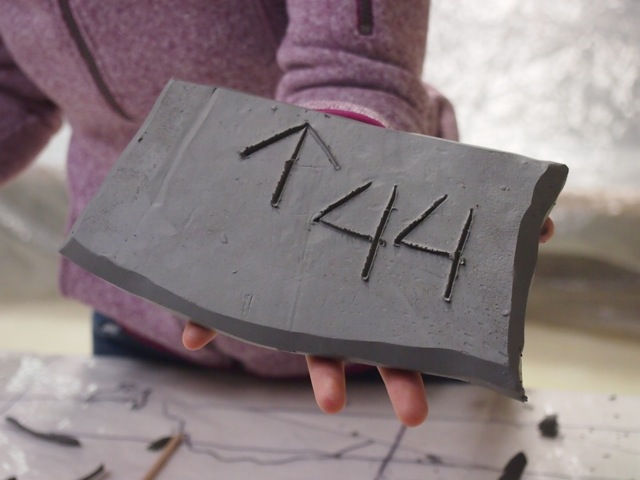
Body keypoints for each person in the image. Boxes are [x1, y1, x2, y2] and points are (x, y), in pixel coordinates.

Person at [0, 0, 553, 428]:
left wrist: (343, 158)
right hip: (140, 312)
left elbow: (355, 63)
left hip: (368, 320)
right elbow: (14, 84)